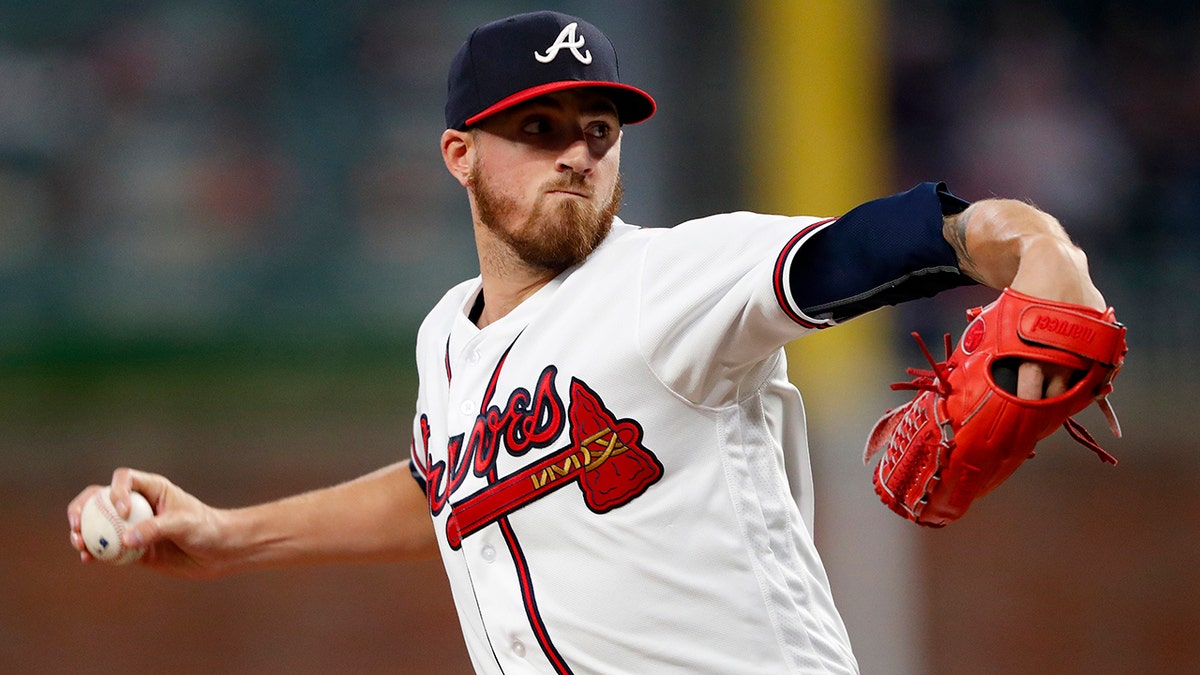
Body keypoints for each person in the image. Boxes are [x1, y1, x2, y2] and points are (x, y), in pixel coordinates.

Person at [67, 11, 1108, 674]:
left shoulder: (672, 281)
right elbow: (454, 490)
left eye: (597, 131)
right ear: (459, 154)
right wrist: (230, 534)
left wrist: (1033, 244)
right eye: (539, 129)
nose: (576, 153)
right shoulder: (445, 337)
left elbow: (882, 244)